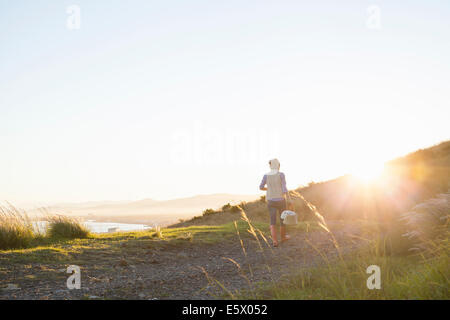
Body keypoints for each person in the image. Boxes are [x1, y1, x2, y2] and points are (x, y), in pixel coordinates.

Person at [259, 158, 291, 247]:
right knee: (282, 220)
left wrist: (268, 188)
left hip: (270, 200)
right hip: (281, 200)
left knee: (272, 221)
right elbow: (284, 189)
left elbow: (261, 187)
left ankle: (275, 241)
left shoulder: (266, 176)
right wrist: (289, 200)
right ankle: (283, 237)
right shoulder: (281, 175)